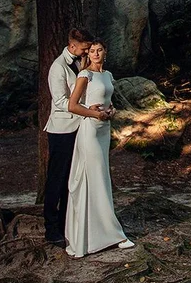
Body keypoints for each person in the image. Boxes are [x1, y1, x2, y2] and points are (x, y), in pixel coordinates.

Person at [65, 36, 134, 257]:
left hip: (104, 130)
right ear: (88, 54)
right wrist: (96, 113)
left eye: (99, 50)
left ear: (105, 52)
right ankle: (111, 235)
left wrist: (111, 111)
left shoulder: (108, 76)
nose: (95, 53)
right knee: (95, 179)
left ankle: (101, 234)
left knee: (101, 178)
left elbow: (107, 100)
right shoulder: (85, 75)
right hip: (90, 132)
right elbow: (72, 106)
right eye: (92, 50)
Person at [42, 27, 95, 246]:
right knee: (57, 179)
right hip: (62, 131)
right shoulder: (58, 67)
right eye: (84, 49)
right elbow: (61, 102)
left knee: (74, 178)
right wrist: (87, 110)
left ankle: (68, 223)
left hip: (80, 129)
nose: (86, 52)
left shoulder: (83, 63)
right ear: (72, 46)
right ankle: (51, 227)